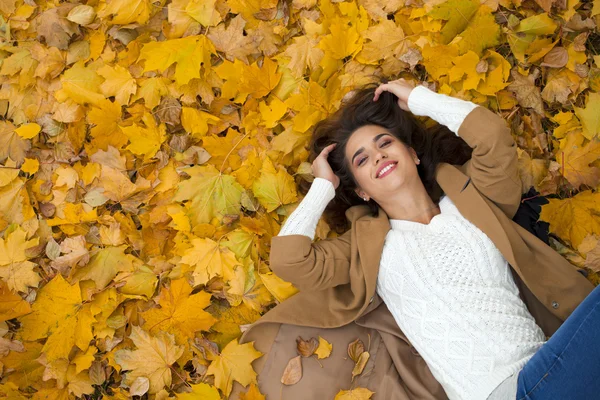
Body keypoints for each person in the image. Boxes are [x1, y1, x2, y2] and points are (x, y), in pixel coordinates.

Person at [233, 79, 598, 400]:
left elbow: (493, 140)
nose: (378, 156)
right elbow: (290, 261)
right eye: (362, 160)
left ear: (411, 153)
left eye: (385, 143)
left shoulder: (468, 196)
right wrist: (322, 188)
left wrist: (422, 100)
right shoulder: (368, 247)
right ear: (360, 190)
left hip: (556, 365)